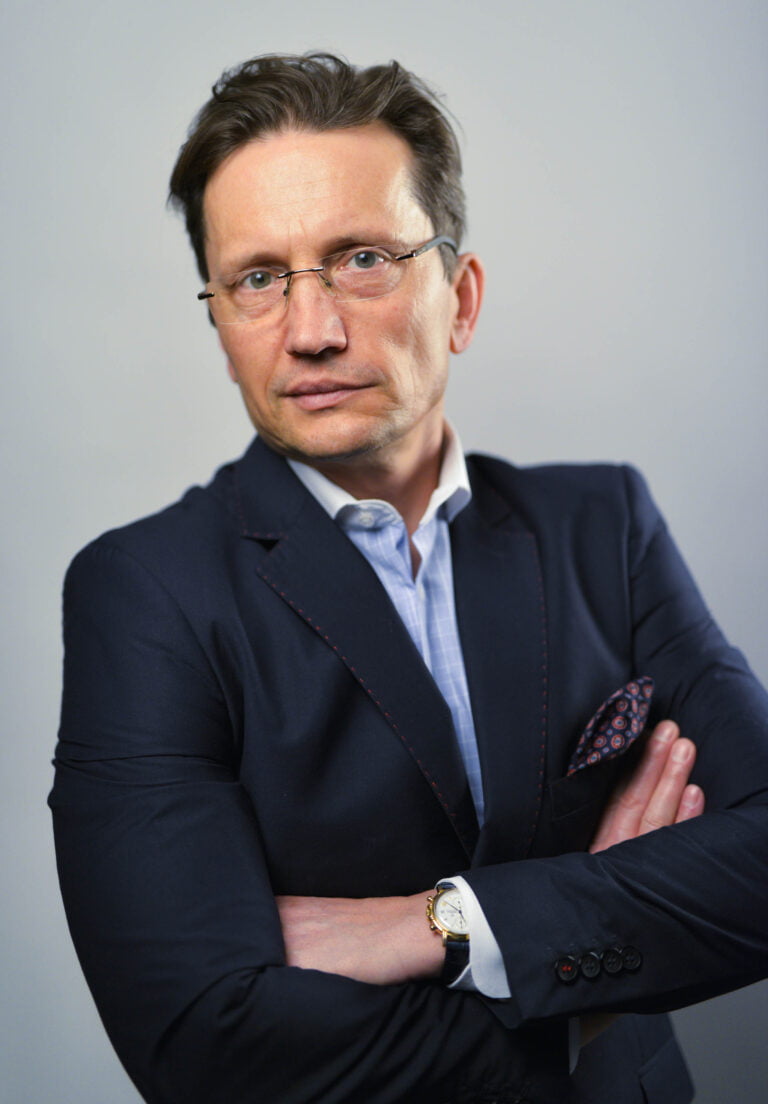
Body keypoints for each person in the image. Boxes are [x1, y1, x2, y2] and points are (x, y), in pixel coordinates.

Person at [50, 53, 768, 1104]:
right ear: (221, 325)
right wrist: (582, 992)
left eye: (361, 259)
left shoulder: (602, 525)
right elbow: (203, 1041)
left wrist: (444, 923)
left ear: (461, 299)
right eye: (258, 279)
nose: (310, 331)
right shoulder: (143, 593)